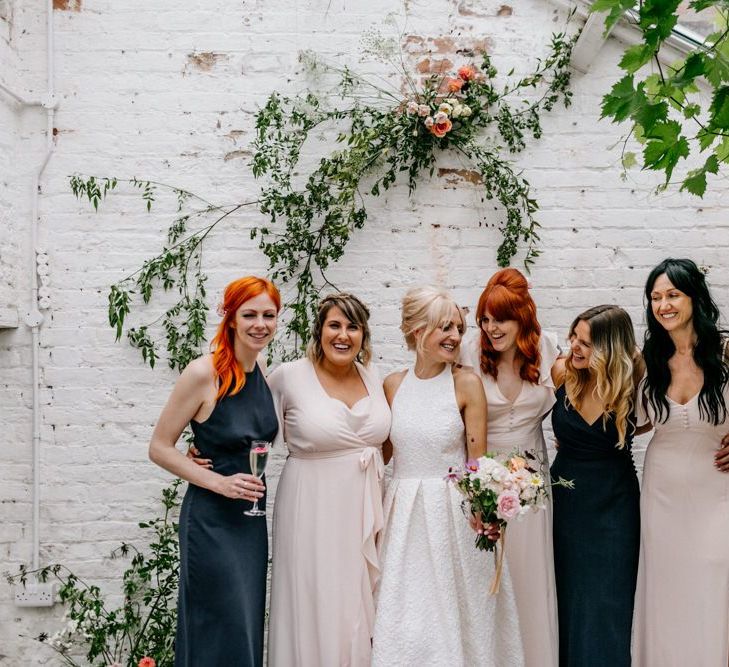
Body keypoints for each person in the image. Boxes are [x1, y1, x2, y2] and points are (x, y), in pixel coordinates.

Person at [371, 286, 524, 667]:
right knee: (406, 618)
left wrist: (487, 513)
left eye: (458, 327)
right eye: (445, 328)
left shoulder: (466, 383)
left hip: (452, 516)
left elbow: (478, 462)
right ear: (418, 332)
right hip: (402, 517)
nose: (457, 336)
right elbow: (382, 454)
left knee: (458, 618)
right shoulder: (392, 385)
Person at [148, 276, 281, 667]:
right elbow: (158, 447)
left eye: (268, 315)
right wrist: (217, 482)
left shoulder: (261, 367)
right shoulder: (203, 373)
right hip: (210, 520)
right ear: (231, 318)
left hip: (250, 520)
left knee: (245, 621)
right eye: (250, 314)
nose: (260, 324)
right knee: (215, 623)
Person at [266, 293, 391, 667]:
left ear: (363, 334)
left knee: (357, 601)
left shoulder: (374, 377)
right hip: (311, 504)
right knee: (314, 596)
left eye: (352, 326)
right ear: (319, 330)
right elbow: (251, 431)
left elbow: (390, 444)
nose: (343, 334)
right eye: (334, 325)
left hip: (365, 505)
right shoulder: (289, 377)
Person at [460, 268, 559, 667]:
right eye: (485, 318)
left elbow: (593, 391)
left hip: (534, 486)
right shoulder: (469, 351)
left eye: (499, 318)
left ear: (523, 317)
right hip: (483, 479)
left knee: (531, 579)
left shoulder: (549, 349)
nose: (491, 327)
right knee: (486, 581)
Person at [633, 258, 729, 666]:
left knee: (713, 574)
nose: (664, 304)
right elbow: (633, 424)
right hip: (662, 492)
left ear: (695, 298)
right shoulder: (649, 359)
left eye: (673, 294)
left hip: (715, 488)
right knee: (667, 585)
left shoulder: (725, 351)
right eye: (656, 297)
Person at [550, 305, 643, 667]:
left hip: (615, 505)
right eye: (574, 337)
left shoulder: (634, 375)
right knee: (569, 597)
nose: (574, 347)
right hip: (567, 501)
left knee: (611, 600)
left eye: (586, 343)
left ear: (609, 350)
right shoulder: (562, 372)